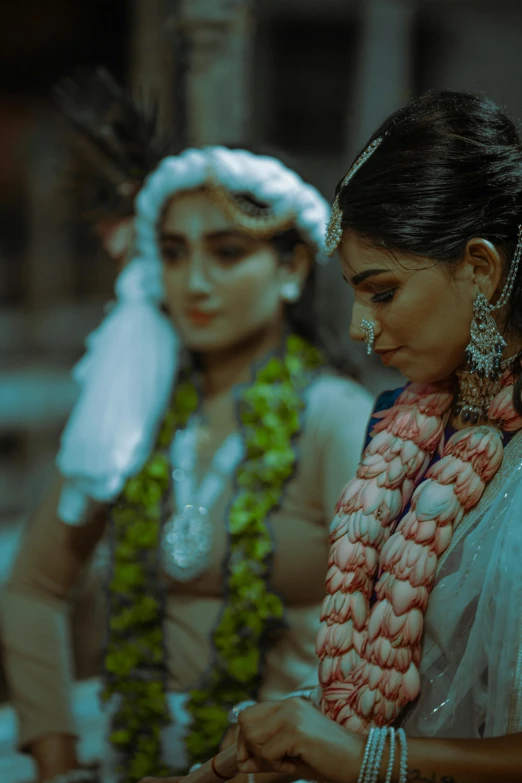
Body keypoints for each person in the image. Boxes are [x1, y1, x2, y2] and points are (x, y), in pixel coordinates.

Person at [138, 90, 522, 783]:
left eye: (381, 292)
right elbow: (406, 683)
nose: (357, 328)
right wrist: (291, 733)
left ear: (480, 268)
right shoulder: (405, 428)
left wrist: (371, 760)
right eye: (351, 294)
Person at [0, 144, 373, 783]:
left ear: (292, 268)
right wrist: (57, 761)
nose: (195, 282)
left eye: (227, 253)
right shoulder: (129, 415)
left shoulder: (336, 420)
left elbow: (390, 642)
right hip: (128, 752)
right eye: (174, 254)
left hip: (283, 768)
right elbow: (34, 587)